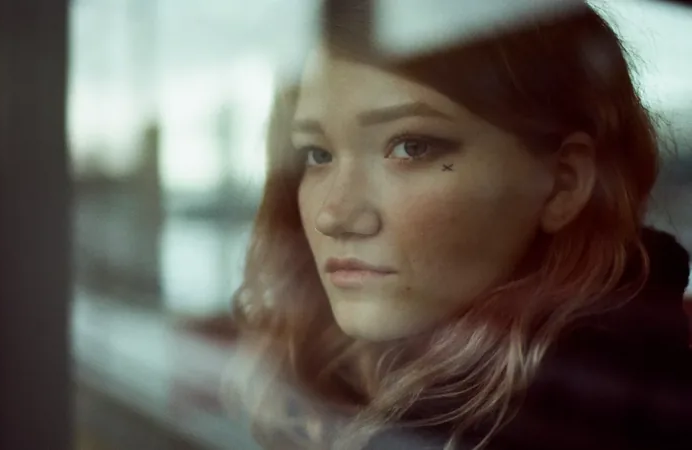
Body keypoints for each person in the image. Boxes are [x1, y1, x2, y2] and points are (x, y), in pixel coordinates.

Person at [225, 3, 692, 449]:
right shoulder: (338, 369)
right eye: (316, 154)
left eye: (411, 147)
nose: (334, 215)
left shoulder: (574, 420)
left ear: (563, 183)